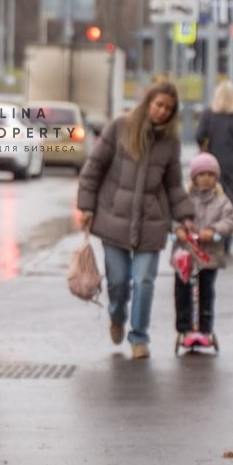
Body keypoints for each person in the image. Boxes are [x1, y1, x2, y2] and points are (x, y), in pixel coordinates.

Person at [77, 80, 195, 359]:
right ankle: (117, 315)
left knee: (144, 281)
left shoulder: (170, 142)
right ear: (148, 103)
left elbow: (174, 184)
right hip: (113, 218)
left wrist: (185, 215)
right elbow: (93, 167)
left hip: (151, 223)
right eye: (159, 105)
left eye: (169, 108)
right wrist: (86, 206)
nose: (162, 112)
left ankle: (139, 336)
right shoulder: (120, 127)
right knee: (118, 282)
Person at [173, 152, 233, 349]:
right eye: (201, 175)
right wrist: (178, 230)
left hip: (209, 256)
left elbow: (231, 219)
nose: (206, 179)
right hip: (186, 256)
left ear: (216, 178)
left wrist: (214, 230)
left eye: (211, 175)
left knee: (206, 291)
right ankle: (184, 328)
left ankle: (205, 328)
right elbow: (173, 217)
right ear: (194, 178)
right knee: (182, 291)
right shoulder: (185, 199)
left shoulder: (222, 201)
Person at [197, 79, 233, 251]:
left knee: (210, 200)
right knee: (230, 202)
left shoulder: (208, 115)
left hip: (211, 164)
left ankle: (209, 236)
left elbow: (200, 135)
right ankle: (226, 240)